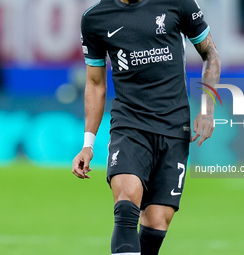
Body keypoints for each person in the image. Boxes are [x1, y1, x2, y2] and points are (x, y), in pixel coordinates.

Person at [72, 0, 221, 254]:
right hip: (130, 123)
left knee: (156, 221)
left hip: (174, 128)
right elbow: (95, 84)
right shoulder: (95, 19)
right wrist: (88, 144)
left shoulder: (178, 3)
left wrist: (207, 111)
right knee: (127, 201)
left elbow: (211, 55)